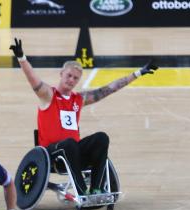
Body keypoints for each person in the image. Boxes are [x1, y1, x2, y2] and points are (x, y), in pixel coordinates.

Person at [10, 37, 157, 195]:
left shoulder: (78, 100)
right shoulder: (49, 95)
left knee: (101, 137)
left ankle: (96, 188)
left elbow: (109, 89)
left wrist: (138, 73)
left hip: (74, 152)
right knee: (69, 143)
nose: (72, 80)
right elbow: (33, 80)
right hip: (52, 155)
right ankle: (81, 191)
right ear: (61, 74)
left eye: (75, 78)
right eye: (69, 76)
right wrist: (22, 58)